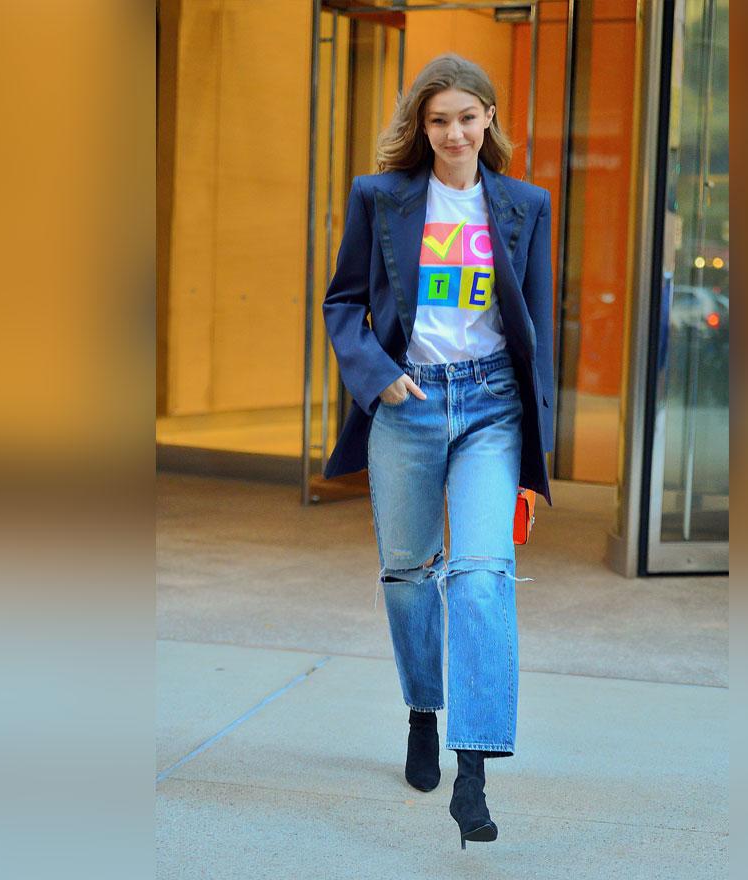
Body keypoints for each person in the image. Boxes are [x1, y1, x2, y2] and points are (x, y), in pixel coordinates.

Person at [320, 53, 556, 850]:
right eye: (437, 119)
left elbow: (537, 332)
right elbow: (344, 301)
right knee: (408, 571)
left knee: (483, 575)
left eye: (467, 116)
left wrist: (536, 445)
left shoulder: (525, 205)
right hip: (410, 405)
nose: (454, 132)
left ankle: (474, 772)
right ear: (421, 127)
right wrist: (377, 377)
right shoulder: (381, 199)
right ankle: (424, 706)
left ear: (488, 118)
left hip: (492, 407)